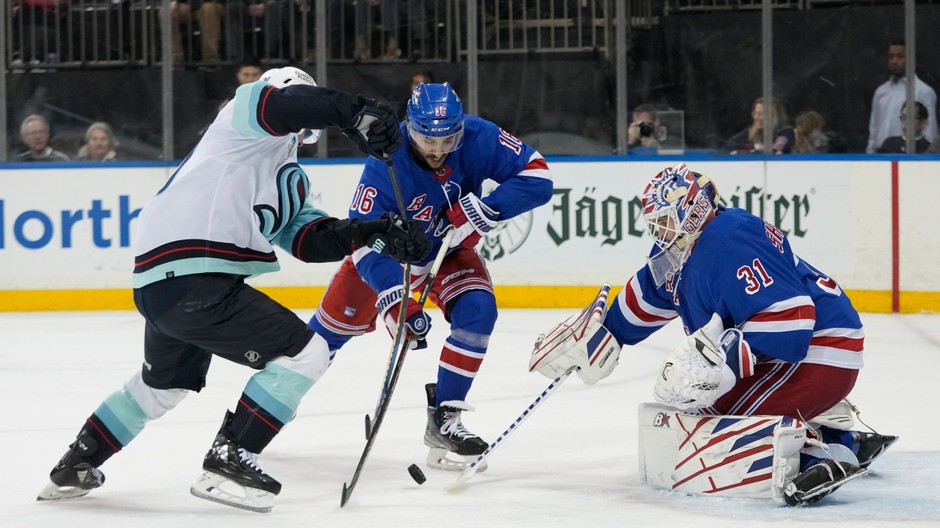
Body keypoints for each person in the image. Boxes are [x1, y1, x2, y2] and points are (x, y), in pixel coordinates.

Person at [37, 67, 432, 513]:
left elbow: (309, 239)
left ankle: (79, 461)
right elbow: (287, 106)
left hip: (165, 286)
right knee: (307, 353)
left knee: (163, 385)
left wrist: (376, 233)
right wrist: (354, 112)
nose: (303, 127)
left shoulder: (286, 173)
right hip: (195, 277)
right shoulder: (240, 119)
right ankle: (231, 455)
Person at [532, 163, 897, 505]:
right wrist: (602, 335)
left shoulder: (730, 238)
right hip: (801, 350)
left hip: (822, 346)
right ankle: (833, 426)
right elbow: (648, 294)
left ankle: (825, 452)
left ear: (691, 210)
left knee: (714, 415)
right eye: (655, 223)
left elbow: (792, 323)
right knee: (699, 404)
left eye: (663, 220)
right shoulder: (679, 250)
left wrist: (721, 360)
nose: (659, 231)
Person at [306, 82, 553, 471]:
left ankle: (445, 420)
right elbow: (362, 242)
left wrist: (487, 209)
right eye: (426, 139)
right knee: (316, 345)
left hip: (447, 251)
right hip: (386, 261)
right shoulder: (385, 161)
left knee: (478, 313)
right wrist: (394, 302)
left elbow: (538, 177)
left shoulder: (479, 136)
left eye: (447, 139)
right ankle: (269, 410)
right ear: (409, 127)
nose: (438, 150)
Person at [866, 38, 937, 154]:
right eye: (891, 57)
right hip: (880, 156)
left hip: (911, 157)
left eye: (900, 56)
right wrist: (870, 156)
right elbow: (873, 129)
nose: (894, 61)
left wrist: (926, 161)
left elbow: (929, 130)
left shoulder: (923, 91)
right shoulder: (880, 92)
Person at [720, 97, 794, 155]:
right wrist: (754, 147)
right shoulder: (750, 131)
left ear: (774, 116)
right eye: (755, 113)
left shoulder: (786, 132)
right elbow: (726, 148)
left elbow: (773, 151)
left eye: (761, 114)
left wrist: (744, 151)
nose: (756, 117)